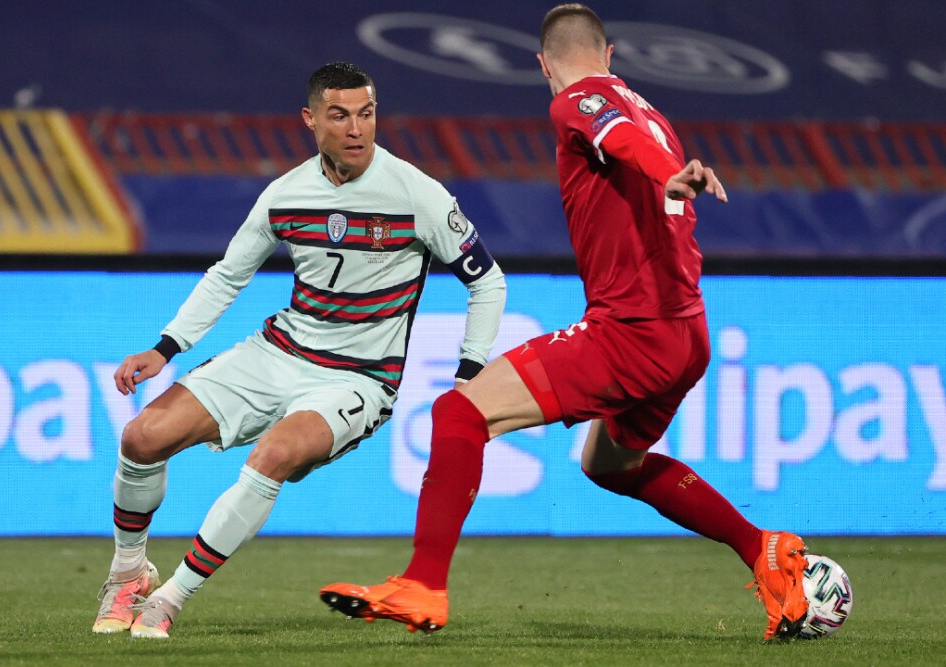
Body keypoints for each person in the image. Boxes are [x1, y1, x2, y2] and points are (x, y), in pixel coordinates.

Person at [319, 4, 809, 642]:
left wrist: (670, 174)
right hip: (686, 333)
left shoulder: (575, 101)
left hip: (630, 331)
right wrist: (674, 170)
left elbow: (621, 145)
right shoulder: (652, 113)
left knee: (459, 414)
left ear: (542, 64)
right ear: (611, 55)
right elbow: (636, 150)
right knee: (610, 466)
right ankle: (763, 549)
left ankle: (422, 584)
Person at [91, 61, 506, 639]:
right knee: (141, 437)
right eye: (340, 116)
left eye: (366, 114)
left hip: (357, 379)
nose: (356, 129)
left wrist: (471, 369)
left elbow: (488, 281)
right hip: (278, 351)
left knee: (273, 455)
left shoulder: (417, 194)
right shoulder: (285, 194)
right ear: (312, 120)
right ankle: (128, 573)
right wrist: (166, 347)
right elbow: (227, 275)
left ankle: (169, 599)